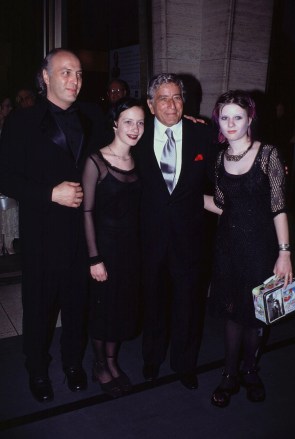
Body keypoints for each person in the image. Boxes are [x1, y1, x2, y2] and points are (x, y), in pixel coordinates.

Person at [0, 48, 104, 402]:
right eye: (65, 72)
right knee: (39, 307)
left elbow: (130, 134)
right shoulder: (22, 121)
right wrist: (49, 193)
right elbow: (5, 177)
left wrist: (180, 122)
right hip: (42, 234)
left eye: (78, 73)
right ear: (45, 77)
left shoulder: (93, 116)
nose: (74, 80)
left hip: (82, 233)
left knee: (78, 303)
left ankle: (73, 362)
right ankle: (37, 369)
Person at [204, 89, 292, 407]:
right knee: (232, 314)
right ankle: (229, 375)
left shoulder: (268, 154)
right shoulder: (219, 159)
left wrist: (284, 253)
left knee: (256, 316)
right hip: (227, 247)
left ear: (249, 118)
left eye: (237, 117)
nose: (230, 123)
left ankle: (251, 371)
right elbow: (223, 205)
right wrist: (180, 197)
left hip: (261, 247)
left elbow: (278, 207)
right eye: (224, 117)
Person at [135, 73, 214, 390]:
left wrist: (268, 168)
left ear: (185, 101)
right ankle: (151, 358)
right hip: (149, 238)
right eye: (163, 98)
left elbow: (227, 168)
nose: (171, 104)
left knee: (188, 304)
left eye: (177, 97)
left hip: (190, 238)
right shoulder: (135, 137)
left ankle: (185, 363)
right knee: (152, 302)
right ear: (151, 105)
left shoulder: (203, 135)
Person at [82, 97, 144, 397]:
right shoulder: (96, 162)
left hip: (130, 252)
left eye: (140, 122)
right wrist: (94, 258)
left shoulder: (139, 159)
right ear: (115, 123)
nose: (135, 128)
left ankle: (111, 361)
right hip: (104, 251)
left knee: (120, 309)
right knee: (102, 311)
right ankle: (98, 364)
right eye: (129, 121)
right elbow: (87, 212)